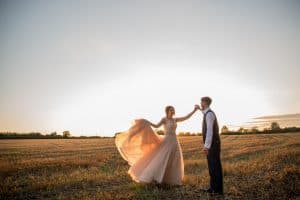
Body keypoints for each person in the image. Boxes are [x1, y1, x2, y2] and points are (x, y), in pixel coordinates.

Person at [115, 105, 199, 185]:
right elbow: (156, 126)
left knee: (174, 159)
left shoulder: (175, 120)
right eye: (171, 109)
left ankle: (170, 179)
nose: (173, 111)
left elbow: (187, 117)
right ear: (167, 111)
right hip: (167, 141)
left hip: (174, 141)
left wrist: (194, 110)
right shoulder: (164, 119)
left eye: (173, 109)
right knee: (163, 158)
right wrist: (146, 122)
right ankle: (155, 177)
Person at [199, 96, 223, 195]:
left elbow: (209, 131)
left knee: (215, 167)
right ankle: (213, 188)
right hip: (212, 144)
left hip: (213, 145)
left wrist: (206, 146)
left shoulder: (209, 115)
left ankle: (217, 190)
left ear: (205, 102)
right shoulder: (207, 113)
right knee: (212, 167)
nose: (201, 104)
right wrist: (198, 109)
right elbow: (203, 111)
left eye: (201, 102)